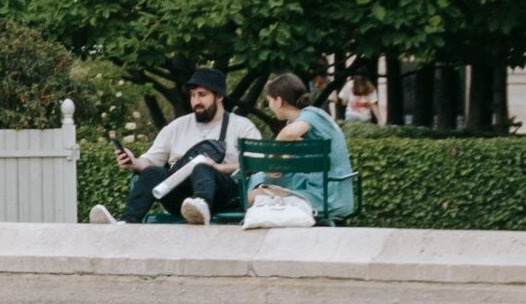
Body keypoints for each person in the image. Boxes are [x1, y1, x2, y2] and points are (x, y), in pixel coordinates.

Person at [94, 69, 253, 225]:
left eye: (202, 95)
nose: (196, 101)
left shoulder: (241, 127)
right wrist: (133, 161)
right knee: (152, 172)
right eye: (193, 95)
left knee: (202, 167)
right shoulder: (176, 127)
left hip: (223, 196)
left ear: (219, 96)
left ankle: (201, 205)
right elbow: (151, 160)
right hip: (181, 199)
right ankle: (126, 223)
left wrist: (219, 168)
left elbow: (257, 165)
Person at [251, 71, 356, 223]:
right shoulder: (310, 119)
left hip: (328, 197)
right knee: (259, 184)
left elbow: (288, 134)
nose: (270, 107)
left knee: (253, 196)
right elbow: (283, 165)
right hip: (325, 191)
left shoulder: (312, 115)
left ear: (279, 101)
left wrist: (271, 156)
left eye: (269, 101)